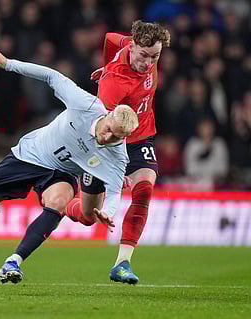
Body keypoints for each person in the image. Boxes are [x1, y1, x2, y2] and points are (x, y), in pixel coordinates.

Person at [0, 50, 139, 284]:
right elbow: (51, 76)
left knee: (57, 204)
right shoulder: (86, 105)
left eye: (115, 137)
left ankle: (14, 261)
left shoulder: (118, 156)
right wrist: (9, 64)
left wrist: (107, 212)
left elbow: (115, 192)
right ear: (107, 115)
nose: (106, 138)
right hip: (30, 154)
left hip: (61, 174)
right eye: (108, 129)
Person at [65, 20, 171, 284]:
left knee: (144, 189)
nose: (149, 63)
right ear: (134, 46)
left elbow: (110, 38)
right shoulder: (113, 84)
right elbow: (103, 133)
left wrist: (105, 62)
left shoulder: (133, 46)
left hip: (141, 138)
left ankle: (122, 263)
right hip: (108, 144)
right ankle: (58, 203)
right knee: (89, 217)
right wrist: (114, 167)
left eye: (155, 57)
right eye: (144, 56)